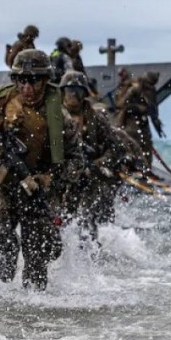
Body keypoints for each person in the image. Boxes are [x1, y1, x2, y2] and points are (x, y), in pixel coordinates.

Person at [0, 49, 84, 291]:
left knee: (38, 262)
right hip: (5, 182)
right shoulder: (0, 102)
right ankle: (9, 249)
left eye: (33, 81)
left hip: (39, 191)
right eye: (21, 80)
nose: (27, 87)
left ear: (45, 80)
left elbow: (77, 161)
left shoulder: (59, 118)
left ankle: (34, 320)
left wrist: (49, 178)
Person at [58, 71, 123, 243]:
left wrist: (97, 163)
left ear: (84, 94)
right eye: (69, 90)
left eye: (77, 90)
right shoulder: (53, 115)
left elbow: (116, 148)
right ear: (62, 92)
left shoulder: (95, 119)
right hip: (61, 175)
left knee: (87, 220)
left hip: (88, 176)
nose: (72, 95)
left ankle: (90, 259)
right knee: (58, 220)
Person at [116, 71, 164, 168]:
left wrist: (156, 121)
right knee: (132, 143)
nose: (149, 87)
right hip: (131, 121)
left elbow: (154, 108)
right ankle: (133, 167)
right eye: (148, 85)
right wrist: (137, 107)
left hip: (143, 122)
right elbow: (121, 104)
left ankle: (147, 168)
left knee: (147, 144)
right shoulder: (134, 89)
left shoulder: (152, 91)